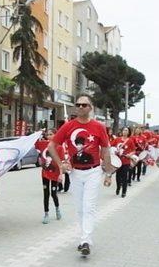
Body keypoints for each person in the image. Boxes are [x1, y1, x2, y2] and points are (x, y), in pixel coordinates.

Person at [48, 94, 112, 257]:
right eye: (78, 105)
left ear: (91, 108)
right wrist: (61, 163)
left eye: (84, 105)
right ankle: (84, 238)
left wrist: (109, 173)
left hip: (93, 171)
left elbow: (105, 149)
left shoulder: (98, 127)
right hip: (75, 173)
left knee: (88, 207)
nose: (81, 107)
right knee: (80, 208)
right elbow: (52, 145)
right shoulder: (68, 126)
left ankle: (85, 240)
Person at [35, 129, 64, 224]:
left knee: (53, 193)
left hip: (55, 174)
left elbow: (61, 163)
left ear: (56, 135)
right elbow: (35, 143)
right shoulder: (44, 144)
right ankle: (46, 214)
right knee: (46, 194)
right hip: (45, 174)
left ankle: (57, 209)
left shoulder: (59, 147)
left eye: (51, 134)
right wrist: (38, 133)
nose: (49, 136)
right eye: (47, 135)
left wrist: (61, 174)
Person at [111, 127, 136, 198]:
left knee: (125, 176)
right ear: (121, 131)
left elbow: (134, 150)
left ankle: (124, 191)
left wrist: (130, 154)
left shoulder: (130, 141)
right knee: (118, 176)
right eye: (124, 130)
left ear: (128, 132)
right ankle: (118, 187)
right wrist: (114, 151)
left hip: (126, 161)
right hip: (117, 161)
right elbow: (111, 147)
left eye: (126, 130)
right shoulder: (117, 139)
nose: (125, 131)